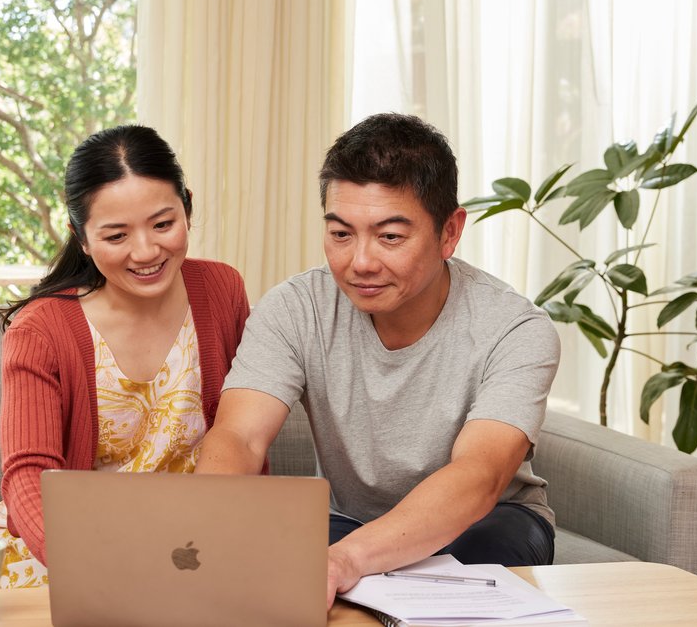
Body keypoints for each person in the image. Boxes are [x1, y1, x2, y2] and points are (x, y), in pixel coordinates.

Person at [195, 113, 560, 607]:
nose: (360, 262)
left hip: (489, 521)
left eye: (390, 237)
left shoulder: (516, 329)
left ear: (449, 232)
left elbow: (479, 477)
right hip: (348, 519)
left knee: (483, 549)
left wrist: (346, 560)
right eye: (341, 234)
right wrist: (198, 531)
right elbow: (239, 436)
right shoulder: (295, 307)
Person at [0, 125, 250, 588]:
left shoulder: (222, 290)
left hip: (190, 544)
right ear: (81, 237)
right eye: (116, 235)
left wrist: (239, 535)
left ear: (187, 208)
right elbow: (27, 478)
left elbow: (244, 431)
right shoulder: (40, 329)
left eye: (163, 224)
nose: (146, 251)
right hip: (70, 549)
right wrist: (98, 565)